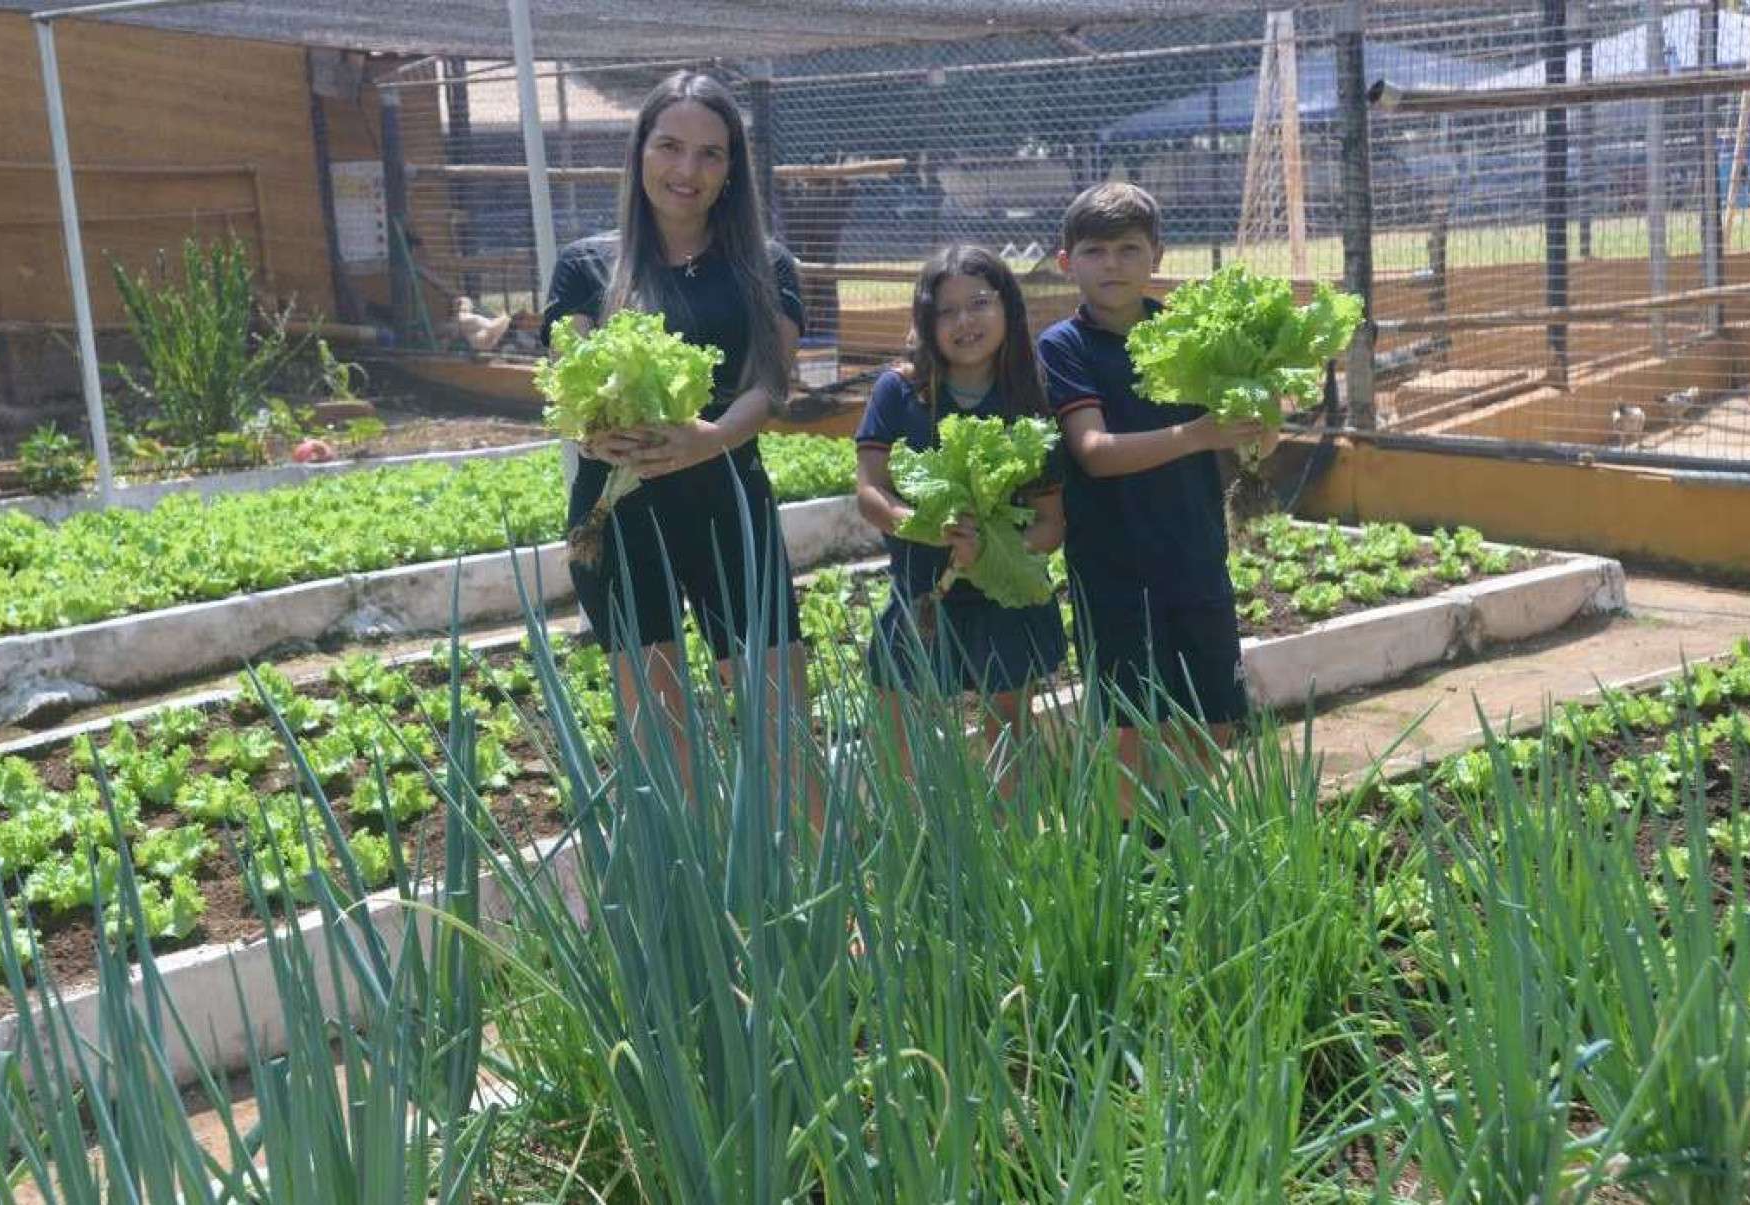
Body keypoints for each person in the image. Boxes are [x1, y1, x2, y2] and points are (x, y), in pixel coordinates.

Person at [538, 70, 814, 811]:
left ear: (732, 170)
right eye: (670, 146)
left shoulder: (767, 264)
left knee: (781, 718)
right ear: (639, 152)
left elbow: (771, 383)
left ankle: (834, 909)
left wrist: (712, 437)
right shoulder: (587, 265)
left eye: (710, 154)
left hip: (727, 495)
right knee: (661, 735)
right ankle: (702, 912)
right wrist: (595, 434)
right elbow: (570, 385)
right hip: (619, 511)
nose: (686, 171)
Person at [1036, 183, 1277, 817]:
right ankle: (1133, 852)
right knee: (1131, 726)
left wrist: (1260, 416)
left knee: (1214, 722)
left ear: (1157, 257)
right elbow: (1092, 449)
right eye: (1094, 251)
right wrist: (1201, 434)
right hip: (1114, 568)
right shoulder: (1064, 347)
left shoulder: (1189, 332)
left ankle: (1183, 838)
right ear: (1067, 263)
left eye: (1127, 249)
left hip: (1197, 552)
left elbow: (1254, 432)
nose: (1111, 264)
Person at [854, 245, 1067, 790]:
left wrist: (992, 552)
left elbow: (1050, 523)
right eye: (946, 311)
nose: (964, 322)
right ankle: (916, 843)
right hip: (921, 590)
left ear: (1007, 309)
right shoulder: (899, 392)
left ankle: (1009, 840)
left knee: (1008, 725)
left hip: (1004, 596)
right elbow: (871, 493)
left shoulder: (1029, 397)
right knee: (896, 718)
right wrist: (925, 528)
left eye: (978, 304)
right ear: (926, 320)